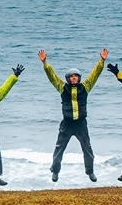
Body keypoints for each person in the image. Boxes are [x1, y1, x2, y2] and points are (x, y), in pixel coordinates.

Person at [40, 48, 107, 182]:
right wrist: (45, 63)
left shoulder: (86, 86)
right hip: (67, 124)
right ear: (68, 79)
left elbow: (95, 74)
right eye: (71, 76)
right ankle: (55, 170)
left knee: (87, 149)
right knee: (59, 149)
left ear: (79, 78)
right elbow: (52, 77)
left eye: (76, 76)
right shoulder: (62, 87)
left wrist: (102, 61)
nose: (74, 78)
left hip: (81, 124)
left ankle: (90, 172)